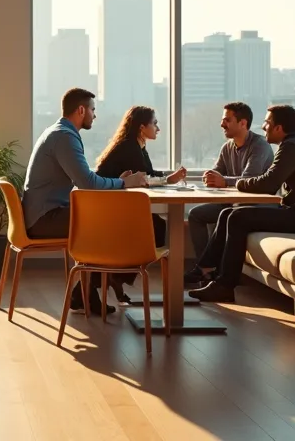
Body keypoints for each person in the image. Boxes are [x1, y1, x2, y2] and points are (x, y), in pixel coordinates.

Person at [188, 105, 295, 303]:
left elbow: (268, 182)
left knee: (237, 216)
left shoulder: (292, 147)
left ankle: (225, 285)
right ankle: (206, 269)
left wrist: (237, 182)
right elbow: (270, 181)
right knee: (228, 213)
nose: (263, 127)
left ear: (279, 128)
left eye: (267, 123)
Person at [22, 88, 146, 315]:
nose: (94, 115)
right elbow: (87, 182)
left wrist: (116, 182)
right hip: (44, 218)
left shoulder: (58, 133)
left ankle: (86, 293)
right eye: (92, 109)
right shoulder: (64, 137)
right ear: (81, 110)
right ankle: (88, 291)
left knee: (108, 222)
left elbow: (83, 179)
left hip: (45, 213)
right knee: (110, 224)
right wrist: (124, 184)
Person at [93, 106, 186, 303]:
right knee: (156, 227)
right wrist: (169, 179)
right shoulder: (129, 147)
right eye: (155, 124)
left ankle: (117, 277)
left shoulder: (137, 145)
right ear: (142, 127)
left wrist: (169, 178)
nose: (158, 129)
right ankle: (118, 276)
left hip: (109, 205)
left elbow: (147, 174)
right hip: (107, 209)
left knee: (156, 225)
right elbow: (145, 177)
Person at [185, 102, 275, 286]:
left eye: (227, 120)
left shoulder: (260, 146)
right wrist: (209, 177)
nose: (222, 124)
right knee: (196, 215)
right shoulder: (227, 147)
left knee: (226, 216)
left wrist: (224, 181)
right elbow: (217, 172)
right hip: (232, 203)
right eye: (222, 119)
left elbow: (250, 179)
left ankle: (206, 268)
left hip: (256, 206)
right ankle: (207, 269)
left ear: (243, 123)